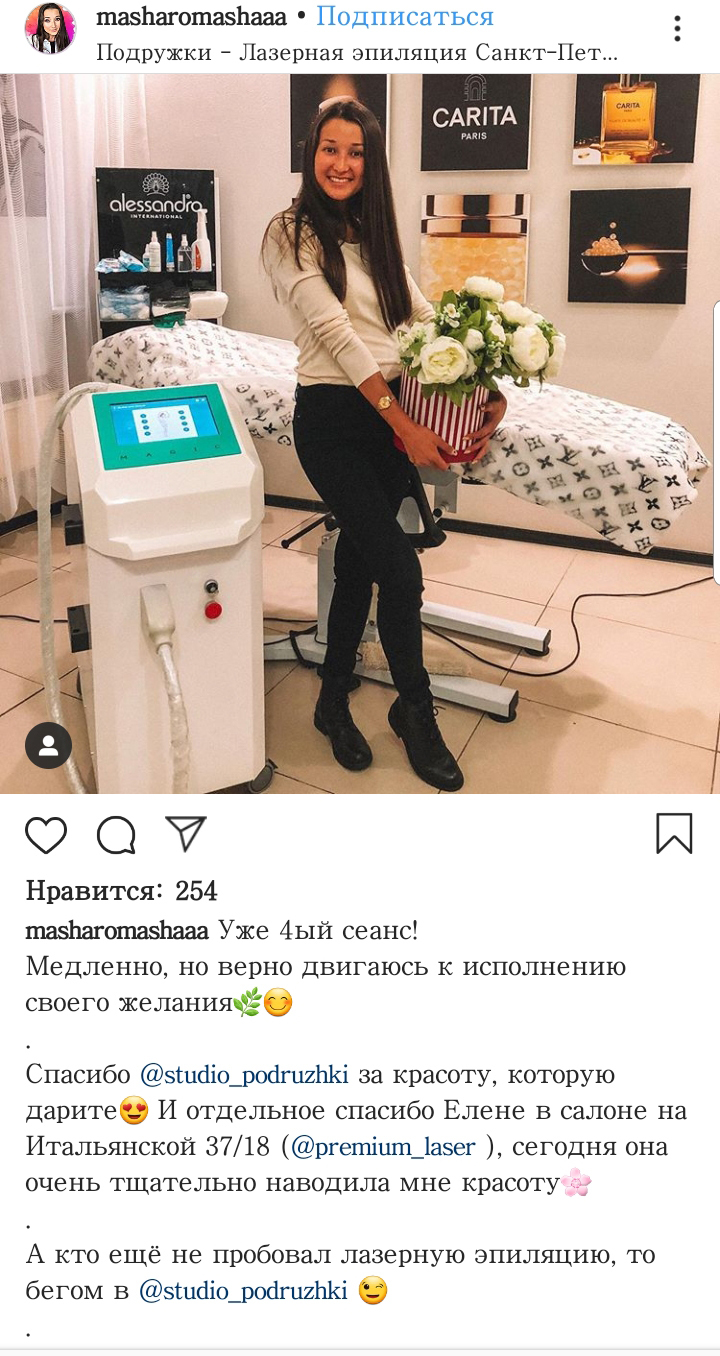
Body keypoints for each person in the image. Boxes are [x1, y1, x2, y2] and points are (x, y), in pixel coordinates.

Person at [262, 98, 506, 792]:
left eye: (356, 152)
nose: (341, 163)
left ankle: (332, 700)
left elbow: (420, 318)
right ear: (311, 155)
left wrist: (488, 384)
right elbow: (336, 335)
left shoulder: (373, 235)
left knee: (360, 565)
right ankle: (414, 710)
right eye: (329, 148)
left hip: (386, 418)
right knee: (400, 571)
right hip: (334, 422)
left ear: (372, 164)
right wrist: (404, 423)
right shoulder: (290, 232)